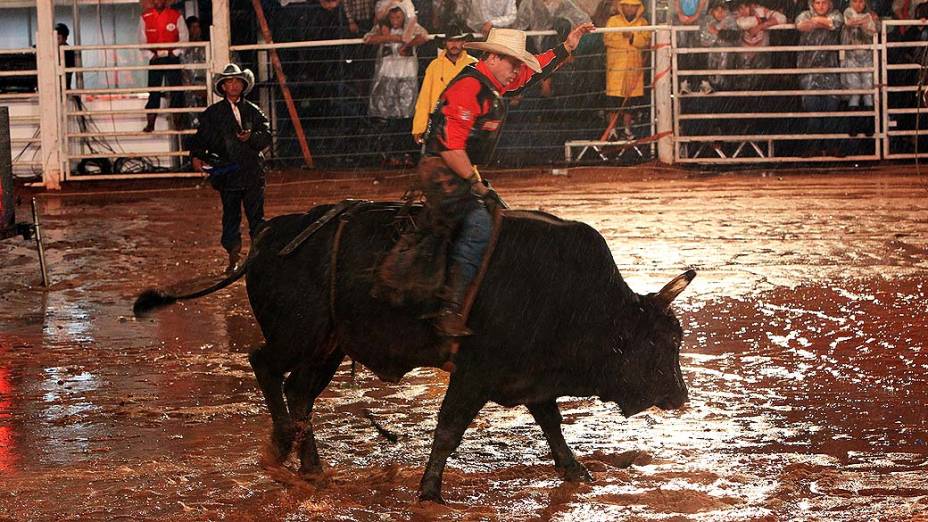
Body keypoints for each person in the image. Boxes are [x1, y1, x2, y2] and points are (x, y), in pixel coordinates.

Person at [420, 23, 595, 338]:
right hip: (443, 171)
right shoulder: (470, 88)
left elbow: (534, 71)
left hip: (456, 170)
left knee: (498, 216)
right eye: (513, 63)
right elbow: (450, 147)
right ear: (493, 58)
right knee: (479, 226)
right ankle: (451, 309)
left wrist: (566, 46)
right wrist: (475, 184)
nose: (517, 71)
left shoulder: (491, 83)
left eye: (518, 64)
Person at [189, 64, 272, 273]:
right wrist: (197, 155)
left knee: (256, 217)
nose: (233, 85)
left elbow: (266, 136)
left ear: (243, 86)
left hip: (252, 172)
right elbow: (201, 137)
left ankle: (258, 257)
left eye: (237, 82)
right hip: (229, 173)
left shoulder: (254, 111)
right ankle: (233, 258)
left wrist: (251, 137)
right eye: (229, 82)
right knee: (231, 216)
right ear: (223, 86)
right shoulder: (212, 114)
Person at [364, 0, 429, 165]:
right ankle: (391, 155)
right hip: (387, 76)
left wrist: (408, 43)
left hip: (407, 76)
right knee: (388, 117)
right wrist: (393, 37)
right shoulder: (381, 27)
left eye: (398, 16)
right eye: (392, 17)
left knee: (406, 117)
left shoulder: (411, 26)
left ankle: (407, 153)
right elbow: (368, 38)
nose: (395, 20)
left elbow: (424, 36)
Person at [411, 25, 477, 144]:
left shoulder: (473, 64)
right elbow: (424, 98)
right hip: (439, 120)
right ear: (445, 43)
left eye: (458, 40)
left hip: (465, 121)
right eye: (451, 40)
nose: (454, 44)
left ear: (463, 42)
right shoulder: (434, 66)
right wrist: (419, 128)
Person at [796, 0, 844, 156]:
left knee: (831, 109)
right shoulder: (804, 14)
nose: (821, 6)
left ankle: (832, 146)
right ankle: (814, 146)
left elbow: (835, 23)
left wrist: (815, 21)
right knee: (812, 111)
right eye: (817, 3)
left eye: (824, 2)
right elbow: (801, 25)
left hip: (830, 69)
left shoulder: (836, 14)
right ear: (812, 4)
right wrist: (823, 23)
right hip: (809, 71)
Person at [604, 0, 651, 139]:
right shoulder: (613, 21)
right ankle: (612, 130)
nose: (630, 9)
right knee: (614, 101)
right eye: (627, 6)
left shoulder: (643, 23)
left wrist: (632, 38)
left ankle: (627, 130)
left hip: (634, 69)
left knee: (630, 102)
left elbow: (645, 42)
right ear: (622, 6)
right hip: (616, 68)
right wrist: (625, 39)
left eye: (633, 6)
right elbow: (607, 40)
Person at [138, 0, 188, 132]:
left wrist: (175, 52)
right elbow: (141, 41)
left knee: (177, 90)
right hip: (155, 58)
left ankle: (178, 122)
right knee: (153, 91)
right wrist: (150, 55)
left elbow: (184, 38)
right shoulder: (145, 17)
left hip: (172, 58)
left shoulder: (176, 15)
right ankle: (150, 123)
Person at [842, 0, 877, 137]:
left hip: (867, 57)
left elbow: (874, 29)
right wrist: (867, 18)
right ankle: (854, 128)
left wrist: (867, 20)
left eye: (861, 1)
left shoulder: (869, 15)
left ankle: (869, 127)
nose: (858, 4)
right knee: (854, 93)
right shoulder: (848, 11)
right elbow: (850, 21)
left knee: (868, 92)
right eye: (855, 1)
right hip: (851, 58)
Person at [55, 23, 77, 91]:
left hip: (63, 87)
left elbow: (68, 74)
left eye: (58, 37)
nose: (56, 38)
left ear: (65, 38)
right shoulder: (48, 50)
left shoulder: (69, 52)